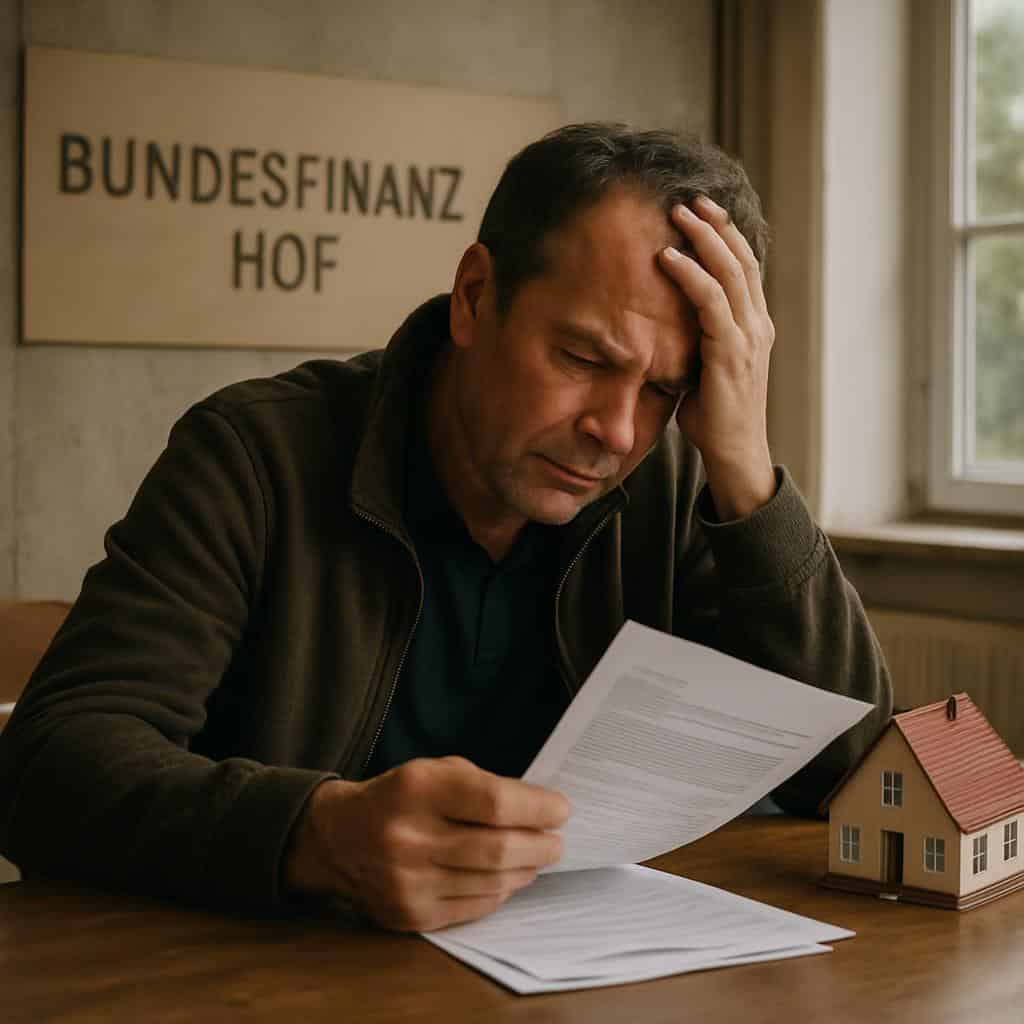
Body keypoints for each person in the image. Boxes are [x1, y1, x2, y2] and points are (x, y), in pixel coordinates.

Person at [0, 124, 891, 932]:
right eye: (583, 358)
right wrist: (316, 833)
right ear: (473, 297)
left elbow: (852, 774)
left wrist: (746, 468)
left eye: (664, 389)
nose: (617, 431)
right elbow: (48, 768)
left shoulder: (672, 483)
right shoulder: (253, 457)